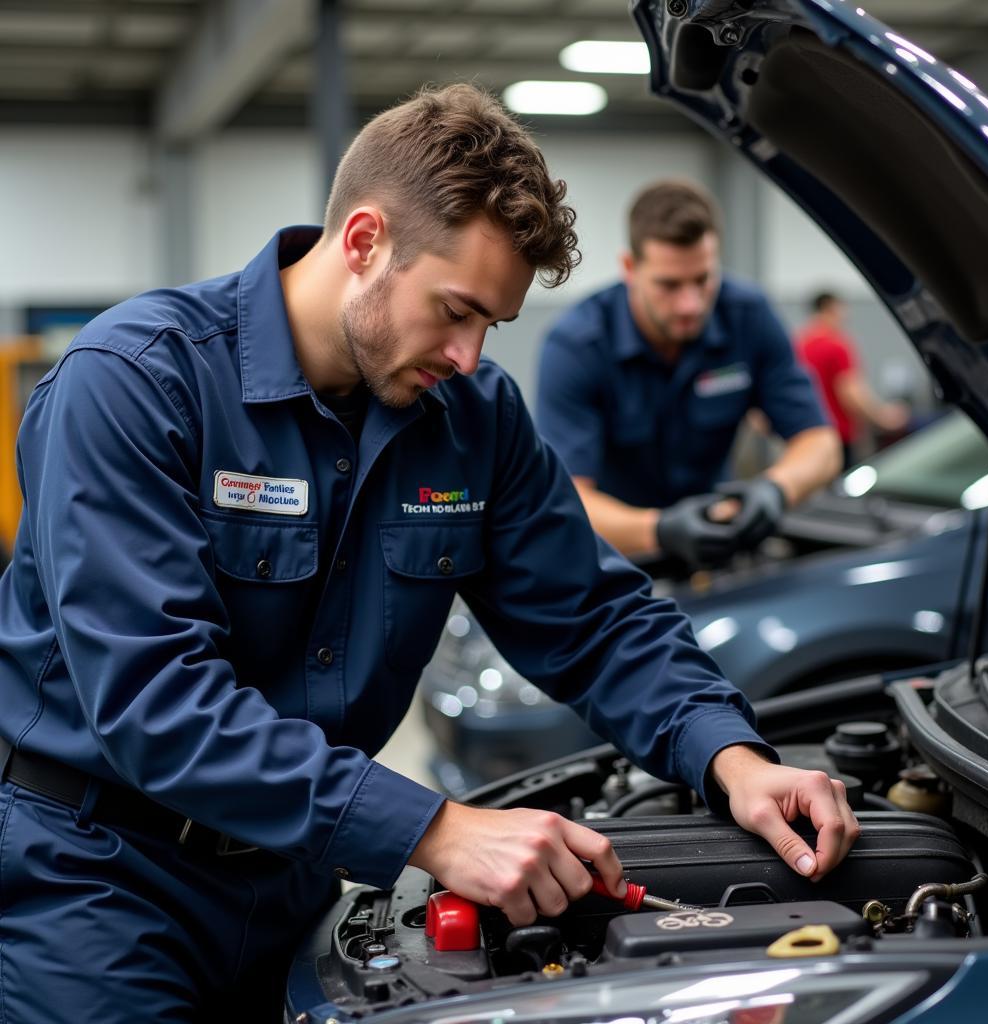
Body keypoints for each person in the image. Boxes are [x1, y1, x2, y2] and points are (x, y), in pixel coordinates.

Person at [0, 85, 858, 1022]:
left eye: (492, 323)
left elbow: (594, 616)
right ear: (364, 241)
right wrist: (435, 829)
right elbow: (156, 702)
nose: (468, 354)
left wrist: (729, 755)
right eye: (455, 309)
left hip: (295, 884)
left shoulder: (472, 420)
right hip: (97, 883)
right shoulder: (131, 386)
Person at [536, 179, 841, 566]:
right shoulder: (577, 345)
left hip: (719, 548)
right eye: (669, 285)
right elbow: (568, 499)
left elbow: (821, 444)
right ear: (630, 267)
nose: (690, 305)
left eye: (702, 280)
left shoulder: (748, 317)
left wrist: (775, 490)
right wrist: (659, 530)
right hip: (616, 557)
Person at [796, 291, 910, 468]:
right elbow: (850, 392)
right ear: (829, 308)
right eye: (842, 308)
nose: (846, 314)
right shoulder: (836, 345)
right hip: (838, 435)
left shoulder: (800, 343)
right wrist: (882, 417)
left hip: (809, 435)